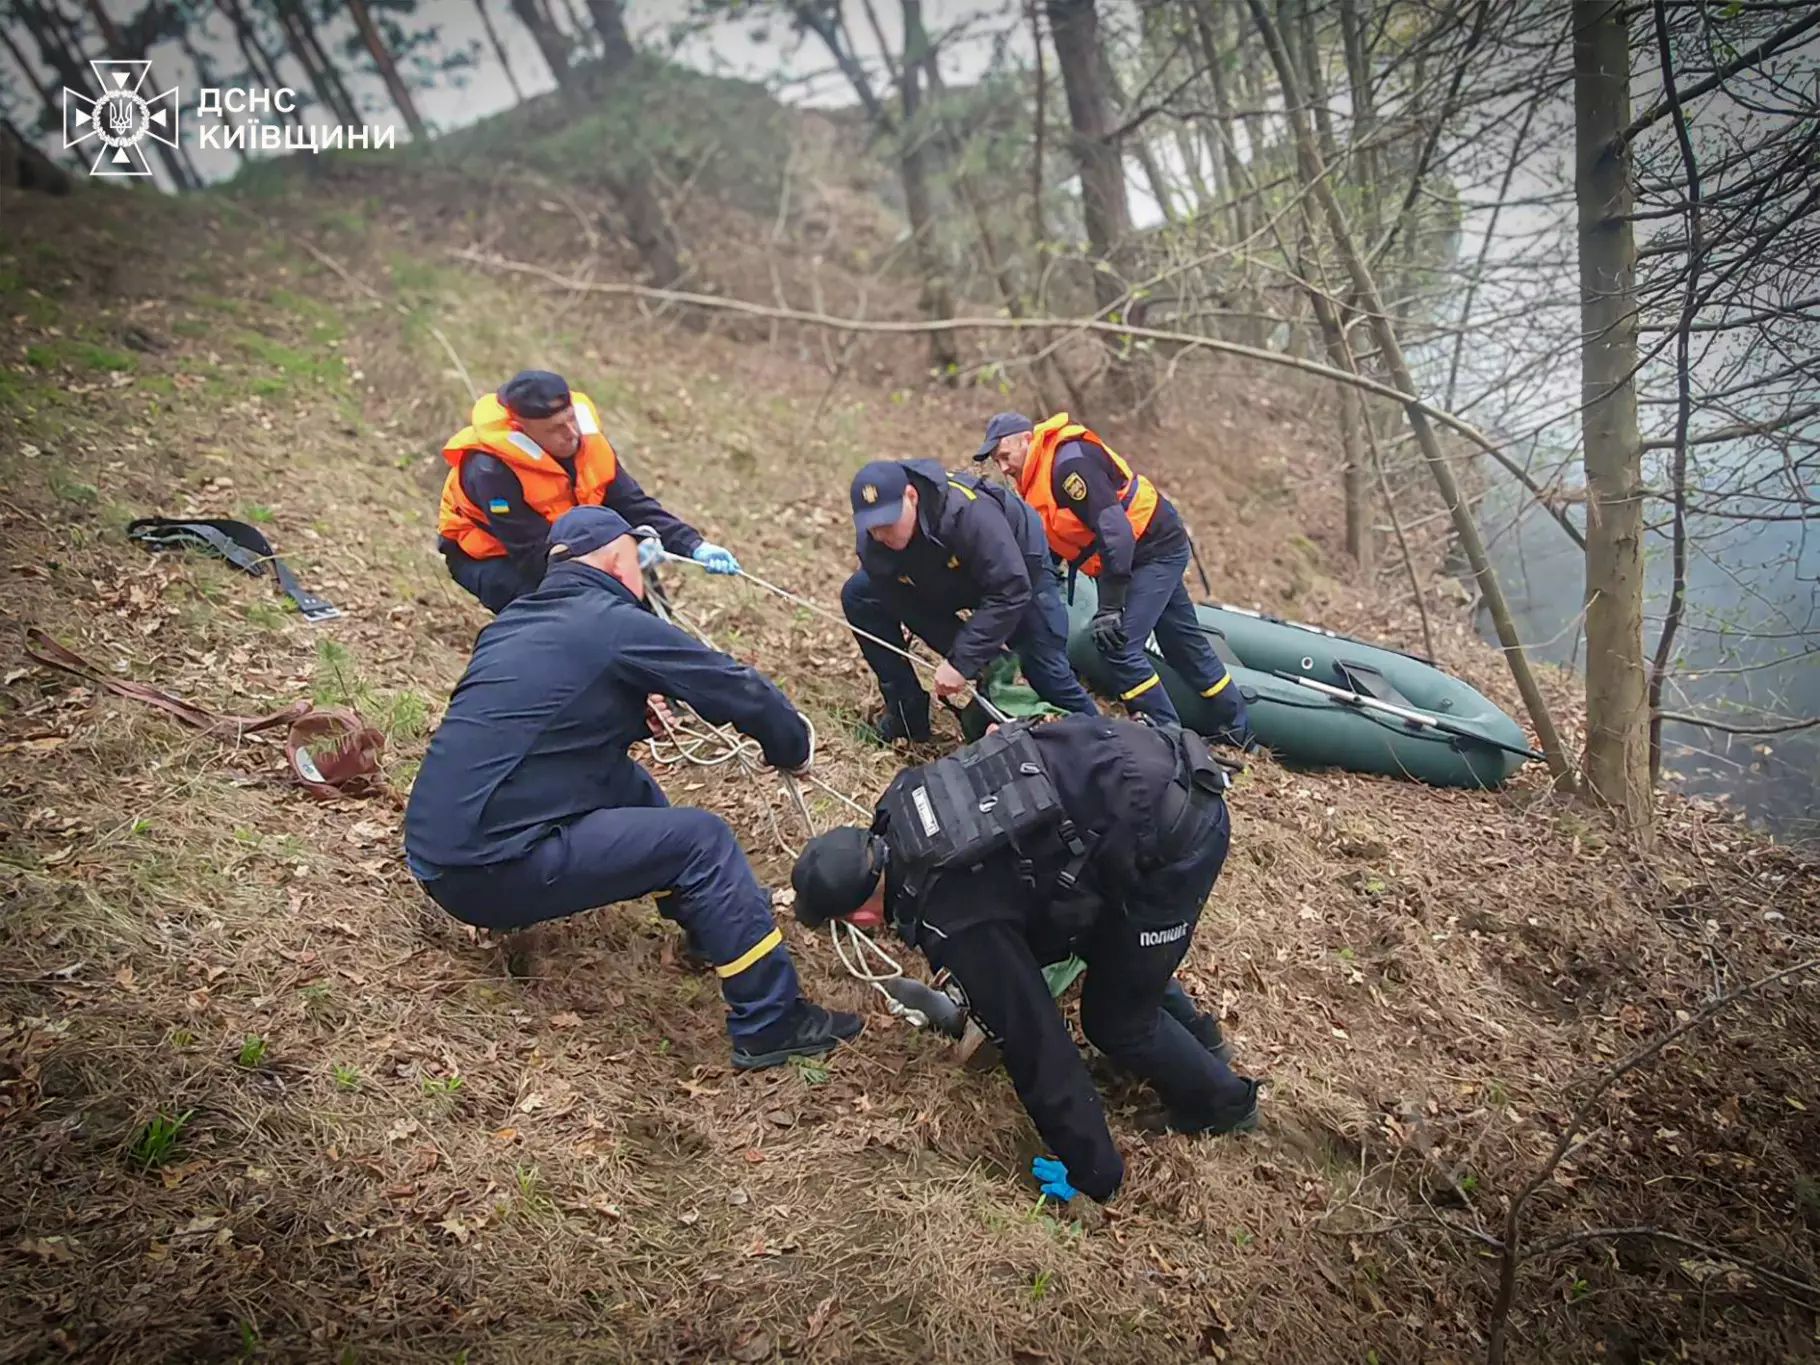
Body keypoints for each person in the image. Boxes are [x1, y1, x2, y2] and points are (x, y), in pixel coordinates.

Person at [405, 505, 861, 1070]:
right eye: (638, 560)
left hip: (439, 850)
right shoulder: (610, 621)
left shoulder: (515, 623)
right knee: (703, 841)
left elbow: (532, 723)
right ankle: (771, 1022)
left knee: (628, 783)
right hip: (488, 865)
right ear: (618, 559)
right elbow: (735, 688)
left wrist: (614, 716)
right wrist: (791, 747)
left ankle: (710, 927)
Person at [788, 713, 1261, 1207]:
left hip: (1179, 829)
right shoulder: (902, 802)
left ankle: (1224, 1104)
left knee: (1115, 1021)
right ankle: (1202, 1041)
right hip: (1131, 763)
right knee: (1116, 955)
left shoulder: (955, 917)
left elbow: (1037, 1044)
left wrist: (1092, 1171)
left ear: (862, 918)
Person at [975, 411, 1250, 746]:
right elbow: (1056, 536)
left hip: (1154, 548)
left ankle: (1170, 741)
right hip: (1131, 555)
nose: (1002, 468)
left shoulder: (1069, 467)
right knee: (1181, 643)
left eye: (1005, 456)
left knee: (1118, 646)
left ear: (1026, 439)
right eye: (996, 461)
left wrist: (1110, 607)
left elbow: (1115, 531)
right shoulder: (1034, 475)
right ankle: (1236, 726)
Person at [436, 369, 742, 613]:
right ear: (521, 429)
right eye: (555, 429)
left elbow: (632, 504)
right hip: (494, 558)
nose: (571, 434)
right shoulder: (491, 470)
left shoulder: (587, 443)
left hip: (572, 543)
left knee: (644, 612)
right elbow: (531, 553)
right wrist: (617, 554)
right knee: (567, 616)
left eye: (571, 420)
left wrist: (692, 545)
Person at [841, 458, 1099, 743]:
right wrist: (965, 658)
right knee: (859, 594)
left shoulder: (968, 514)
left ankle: (1107, 743)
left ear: (911, 497)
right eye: (873, 526)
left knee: (1047, 671)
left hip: (1019, 572)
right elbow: (907, 606)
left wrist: (961, 660)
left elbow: (1010, 588)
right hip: (940, 577)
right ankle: (907, 714)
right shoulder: (874, 544)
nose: (881, 534)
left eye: (889, 523)